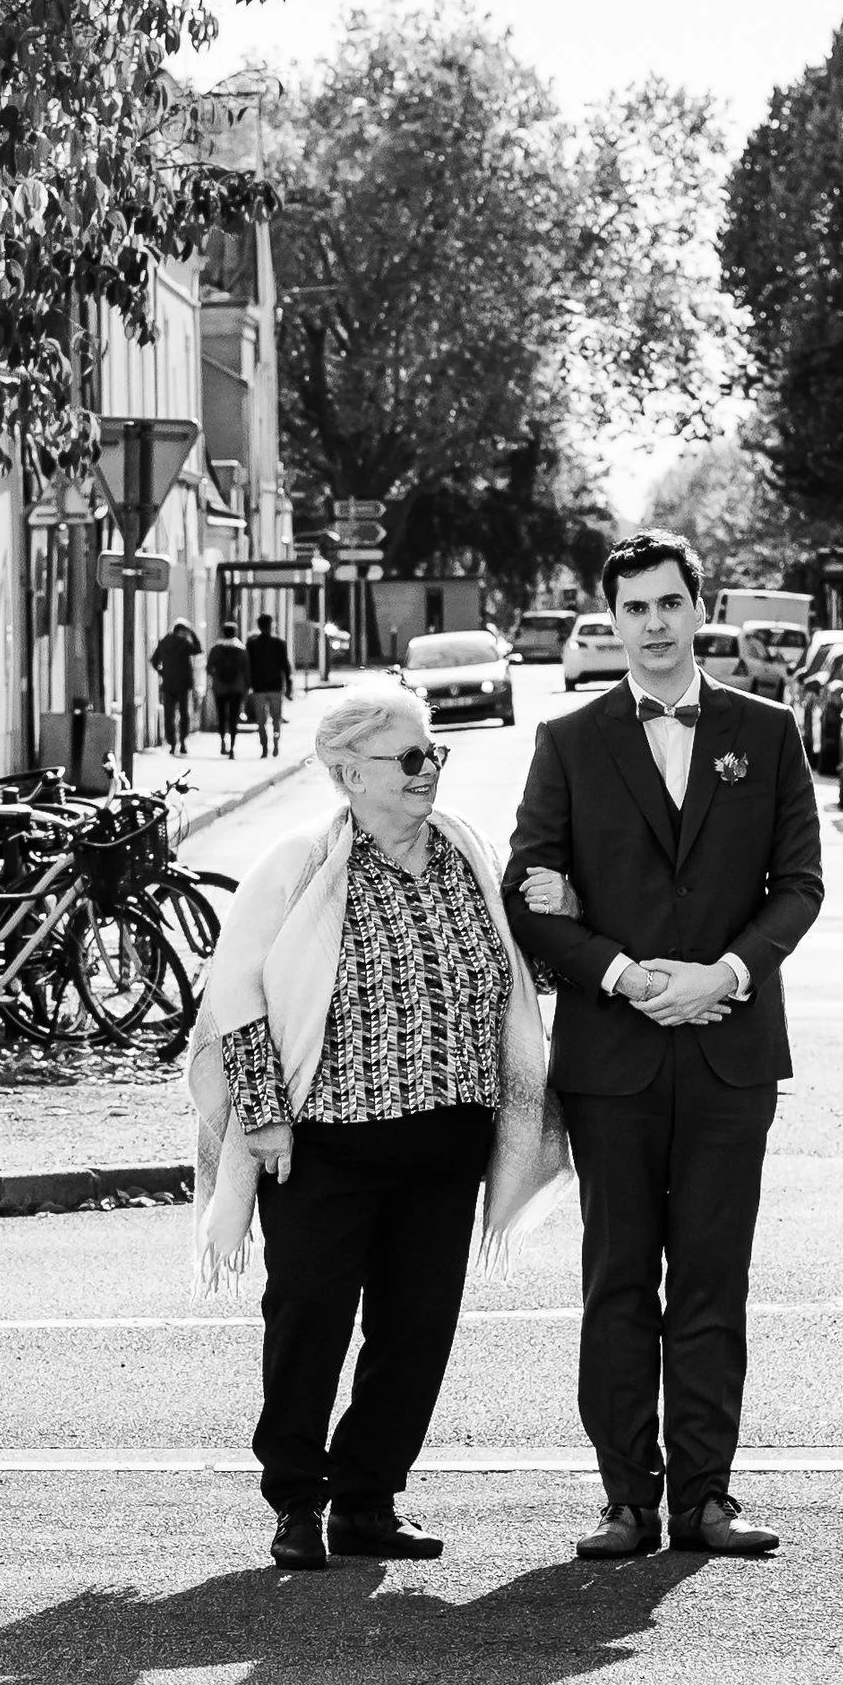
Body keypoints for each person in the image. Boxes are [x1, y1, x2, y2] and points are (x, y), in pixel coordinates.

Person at [186, 681, 569, 1572]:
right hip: (325, 1146)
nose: (426, 770)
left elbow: (513, 972)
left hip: (445, 1144)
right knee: (309, 1320)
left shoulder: (462, 851)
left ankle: (368, 1497)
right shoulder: (301, 862)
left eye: (433, 753)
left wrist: (560, 907)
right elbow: (237, 994)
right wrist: (265, 1119)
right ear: (347, 773)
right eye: (407, 758)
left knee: (417, 1327)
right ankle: (295, 1499)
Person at [504, 528, 823, 1561]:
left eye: (667, 604)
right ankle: (623, 1502)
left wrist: (724, 974)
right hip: (614, 1055)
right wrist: (622, 974)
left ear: (698, 609)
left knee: (713, 1281)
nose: (651, 624)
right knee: (617, 1280)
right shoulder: (568, 741)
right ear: (613, 619)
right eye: (632, 608)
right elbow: (531, 890)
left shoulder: (767, 734)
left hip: (732, 1049)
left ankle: (706, 1498)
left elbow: (800, 885)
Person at [245, 611, 295, 757]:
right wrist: (289, 686)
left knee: (261, 720)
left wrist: (249, 684)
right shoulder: (279, 643)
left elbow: (249, 666)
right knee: (276, 719)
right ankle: (276, 744)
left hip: (259, 687)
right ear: (271, 625)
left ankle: (264, 747)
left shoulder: (252, 644)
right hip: (275, 686)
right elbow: (285, 665)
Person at [151, 619, 201, 756]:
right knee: (184, 714)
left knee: (169, 715)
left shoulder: (164, 642)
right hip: (183, 684)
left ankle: (172, 743)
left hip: (168, 684)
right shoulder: (183, 643)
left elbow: (154, 660)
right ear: (180, 631)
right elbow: (198, 649)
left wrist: (163, 673)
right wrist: (193, 634)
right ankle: (183, 742)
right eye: (185, 632)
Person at [205, 622, 247, 758]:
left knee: (222, 716)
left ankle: (223, 742)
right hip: (237, 687)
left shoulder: (216, 648)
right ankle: (233, 748)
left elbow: (209, 668)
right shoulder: (241, 648)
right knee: (233, 718)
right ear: (235, 632)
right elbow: (246, 670)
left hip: (220, 687)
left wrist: (217, 676)